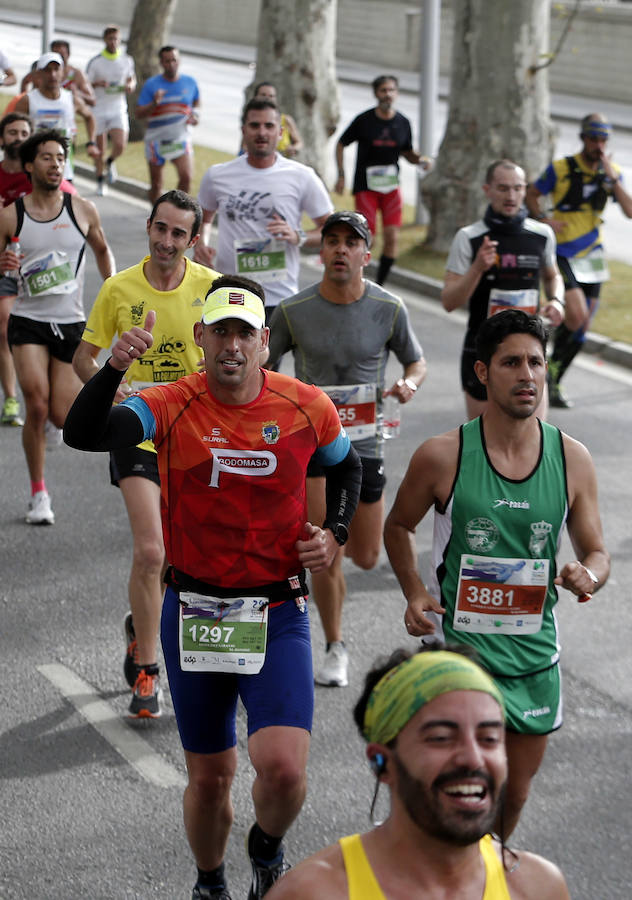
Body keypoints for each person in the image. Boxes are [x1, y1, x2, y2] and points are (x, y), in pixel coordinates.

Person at [63, 274, 363, 900]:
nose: (232, 344)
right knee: (209, 779)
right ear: (201, 338)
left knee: (282, 771)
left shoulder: (306, 404)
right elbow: (83, 434)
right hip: (195, 608)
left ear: (263, 344)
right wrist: (115, 367)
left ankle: (267, 847)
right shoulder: (170, 402)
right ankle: (211, 883)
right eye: (220, 331)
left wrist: (333, 532)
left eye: (244, 333)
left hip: (276, 607)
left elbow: (347, 465)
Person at [383, 309, 609, 838]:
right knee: (456, 792)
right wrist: (415, 592)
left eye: (536, 362)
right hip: (459, 659)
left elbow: (597, 552)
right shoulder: (443, 455)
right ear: (483, 372)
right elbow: (398, 526)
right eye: (512, 362)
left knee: (512, 797)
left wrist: (587, 576)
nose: (527, 374)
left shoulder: (571, 458)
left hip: (534, 658)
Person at [72, 190, 219, 718]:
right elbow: (82, 360)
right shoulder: (119, 289)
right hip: (136, 428)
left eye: (179, 233)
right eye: (160, 228)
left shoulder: (210, 289)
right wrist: (115, 382)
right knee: (152, 550)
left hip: (193, 435)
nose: (166, 241)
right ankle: (149, 673)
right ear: (149, 227)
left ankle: (141, 627)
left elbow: (235, 356)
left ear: (193, 241)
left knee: (181, 556)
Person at [267, 644, 571, 900]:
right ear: (381, 763)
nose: (473, 759)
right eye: (440, 738)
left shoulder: (536, 887)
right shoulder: (314, 892)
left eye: (489, 738)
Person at [268, 210, 426, 687]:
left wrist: (407, 384)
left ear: (365, 254)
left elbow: (415, 361)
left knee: (365, 555)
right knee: (324, 549)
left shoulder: (389, 307)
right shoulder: (292, 310)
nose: (340, 249)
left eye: (350, 242)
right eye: (332, 241)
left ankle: (337, 616)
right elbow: (266, 365)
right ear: (322, 252)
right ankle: (335, 645)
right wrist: (283, 400)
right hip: (313, 444)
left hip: (366, 443)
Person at [0, 129, 114, 524]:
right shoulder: (11, 214)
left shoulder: (81, 210)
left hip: (70, 322)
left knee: (63, 417)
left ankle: (48, 423)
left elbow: (102, 249)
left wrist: (111, 293)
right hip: (28, 320)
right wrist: (4, 267)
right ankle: (39, 494)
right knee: (36, 402)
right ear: (30, 165)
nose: (55, 164)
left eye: (61, 157)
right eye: (47, 157)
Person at [442, 159, 565, 420]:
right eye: (503, 188)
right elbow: (449, 301)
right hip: (484, 352)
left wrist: (556, 300)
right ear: (487, 190)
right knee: (485, 445)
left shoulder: (541, 235)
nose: (511, 196)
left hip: (529, 354)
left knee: (535, 441)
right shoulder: (470, 238)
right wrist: (477, 267)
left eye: (518, 188)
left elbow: (553, 275)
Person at [526, 113, 632, 408]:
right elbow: (532, 194)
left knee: (582, 329)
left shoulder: (612, 173)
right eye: (593, 138)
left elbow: (629, 210)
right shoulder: (561, 168)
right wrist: (542, 218)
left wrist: (612, 178)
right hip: (562, 252)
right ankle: (544, 351)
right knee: (576, 316)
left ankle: (554, 376)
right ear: (583, 138)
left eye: (603, 139)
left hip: (593, 254)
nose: (598, 145)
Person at [195, 98, 332, 321]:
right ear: (243, 130)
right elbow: (203, 219)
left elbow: (330, 229)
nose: (262, 132)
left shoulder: (302, 176)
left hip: (277, 298)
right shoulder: (218, 176)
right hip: (230, 293)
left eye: (269, 126)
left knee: (267, 358)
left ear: (280, 132)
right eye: (254, 125)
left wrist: (298, 236)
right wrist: (201, 243)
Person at [0, 112, 76, 428]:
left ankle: (44, 396)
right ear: (3, 139)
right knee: (4, 324)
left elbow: (75, 210)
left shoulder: (51, 181)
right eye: (12, 132)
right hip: (9, 269)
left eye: (23, 133)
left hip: (47, 275)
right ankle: (12, 397)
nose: (18, 138)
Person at [334, 75, 431, 286]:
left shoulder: (403, 122)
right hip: (366, 187)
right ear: (376, 93)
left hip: (391, 187)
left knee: (392, 238)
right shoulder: (364, 120)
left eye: (391, 90)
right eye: (383, 90)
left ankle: (380, 285)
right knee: (368, 238)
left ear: (396, 93)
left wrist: (420, 160)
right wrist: (341, 175)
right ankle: (356, 280)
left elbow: (407, 152)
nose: (387, 94)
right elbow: (341, 144)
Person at [13, 52, 100, 181]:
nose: (52, 75)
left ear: (63, 72)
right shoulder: (27, 101)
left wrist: (91, 143)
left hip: (64, 170)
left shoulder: (71, 99)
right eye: (47, 70)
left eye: (56, 69)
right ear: (39, 74)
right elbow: (13, 127)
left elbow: (90, 117)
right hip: (36, 171)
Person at [135, 46, 200, 204]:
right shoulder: (152, 84)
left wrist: (196, 115)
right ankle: (157, 215)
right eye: (167, 61)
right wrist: (154, 103)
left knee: (187, 177)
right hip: (156, 141)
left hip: (180, 139)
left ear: (179, 61)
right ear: (161, 63)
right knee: (157, 184)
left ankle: (178, 213)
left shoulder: (190, 82)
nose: (171, 64)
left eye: (174, 60)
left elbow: (196, 102)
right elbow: (139, 114)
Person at [86, 25, 136, 196]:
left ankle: (110, 161)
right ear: (105, 40)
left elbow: (131, 78)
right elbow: (86, 84)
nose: (113, 42)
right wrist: (97, 84)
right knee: (100, 148)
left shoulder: (126, 60)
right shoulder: (96, 62)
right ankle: (100, 180)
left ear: (120, 40)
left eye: (116, 39)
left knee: (121, 144)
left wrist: (130, 85)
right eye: (110, 39)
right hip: (99, 109)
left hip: (118, 108)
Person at [251, 83, 303, 158]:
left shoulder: (286, 120)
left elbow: (299, 143)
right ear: (255, 97)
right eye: (263, 95)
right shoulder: (251, 119)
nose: (267, 98)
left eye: (271, 96)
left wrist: (293, 148)